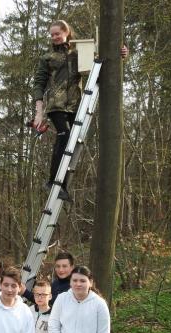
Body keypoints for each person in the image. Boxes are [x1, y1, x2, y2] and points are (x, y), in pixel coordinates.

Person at [31, 20, 128, 202]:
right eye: (52, 35)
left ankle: (62, 186)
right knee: (64, 136)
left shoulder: (79, 53)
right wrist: (38, 111)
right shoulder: (48, 58)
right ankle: (52, 182)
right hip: (56, 106)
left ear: (66, 32)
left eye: (57, 34)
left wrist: (121, 54)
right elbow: (39, 84)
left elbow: (101, 67)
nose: (54, 37)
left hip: (76, 105)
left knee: (74, 142)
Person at [48, 265, 110, 333]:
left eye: (82, 281)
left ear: (90, 282)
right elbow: (53, 328)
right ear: (70, 282)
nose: (78, 284)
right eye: (75, 280)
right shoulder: (61, 299)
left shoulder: (99, 304)